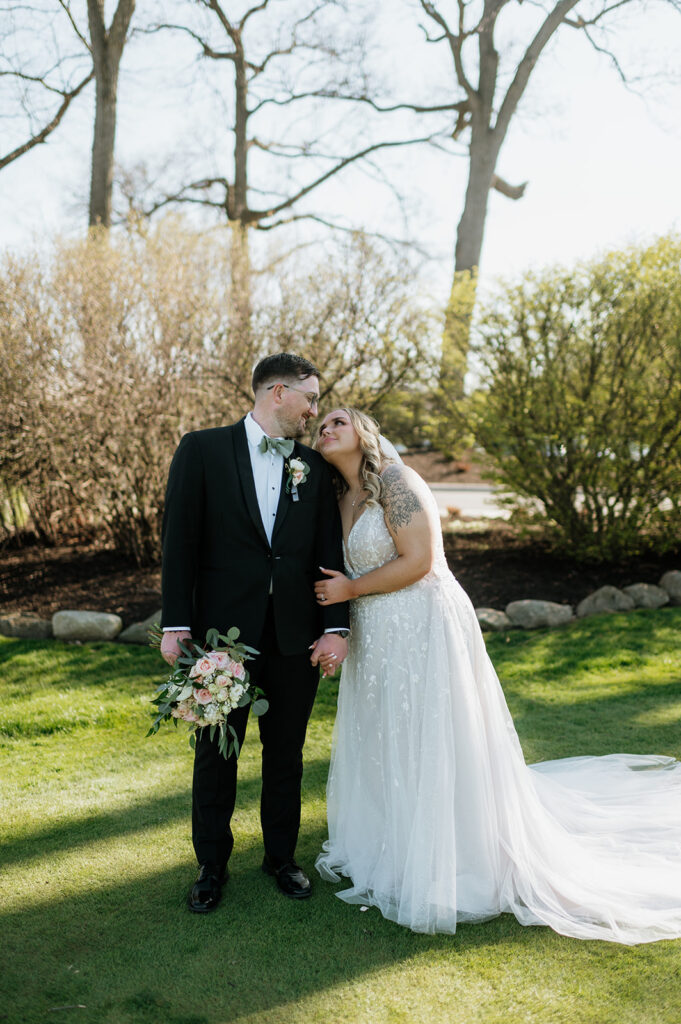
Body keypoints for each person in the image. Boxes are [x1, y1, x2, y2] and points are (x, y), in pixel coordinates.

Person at [312, 407, 681, 944]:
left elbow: (419, 560)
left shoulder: (396, 481)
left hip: (421, 623)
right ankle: (394, 838)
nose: (326, 428)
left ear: (364, 433)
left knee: (431, 734)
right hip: (377, 633)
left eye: (338, 421)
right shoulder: (340, 498)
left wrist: (350, 590)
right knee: (387, 733)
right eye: (320, 424)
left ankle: (456, 850)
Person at [160, 354, 350, 913]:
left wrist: (335, 629)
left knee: (286, 753)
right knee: (216, 753)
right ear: (276, 392)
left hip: (295, 638)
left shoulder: (312, 468)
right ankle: (210, 864)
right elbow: (180, 544)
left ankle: (281, 858)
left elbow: (327, 553)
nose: (315, 411)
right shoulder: (202, 450)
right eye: (309, 399)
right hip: (221, 638)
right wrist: (177, 624)